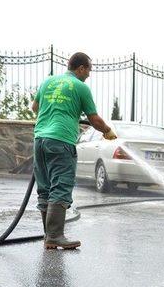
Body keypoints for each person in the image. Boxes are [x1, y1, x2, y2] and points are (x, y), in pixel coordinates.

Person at [31, 52, 117, 249]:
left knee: (45, 187)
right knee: (60, 186)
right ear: (81, 68)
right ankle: (54, 236)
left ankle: (49, 236)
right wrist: (107, 131)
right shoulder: (80, 87)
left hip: (40, 140)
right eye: (88, 70)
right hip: (61, 141)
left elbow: (35, 107)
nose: (89, 75)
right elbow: (94, 119)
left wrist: (55, 112)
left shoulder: (48, 82)